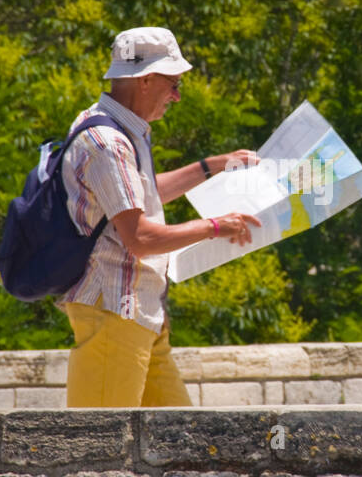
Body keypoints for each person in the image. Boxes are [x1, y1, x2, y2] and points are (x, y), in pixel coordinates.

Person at [57, 26, 262, 407]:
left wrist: (213, 166)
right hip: (115, 314)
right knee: (100, 451)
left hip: (139, 313)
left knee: (180, 446)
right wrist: (216, 227)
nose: (177, 96)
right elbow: (140, 238)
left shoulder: (115, 128)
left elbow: (139, 197)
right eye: (174, 84)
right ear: (146, 79)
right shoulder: (109, 143)